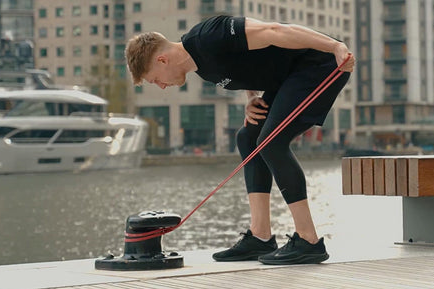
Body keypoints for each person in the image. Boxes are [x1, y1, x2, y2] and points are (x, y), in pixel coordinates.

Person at [125, 15, 355, 265]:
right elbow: (248, 65)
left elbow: (274, 29)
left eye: (155, 79)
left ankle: (308, 240)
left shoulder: (209, 37)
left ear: (162, 60)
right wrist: (251, 97)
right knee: (248, 137)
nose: (161, 86)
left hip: (322, 64)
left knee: (271, 141)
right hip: (289, 77)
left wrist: (335, 47)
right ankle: (260, 236)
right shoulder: (203, 69)